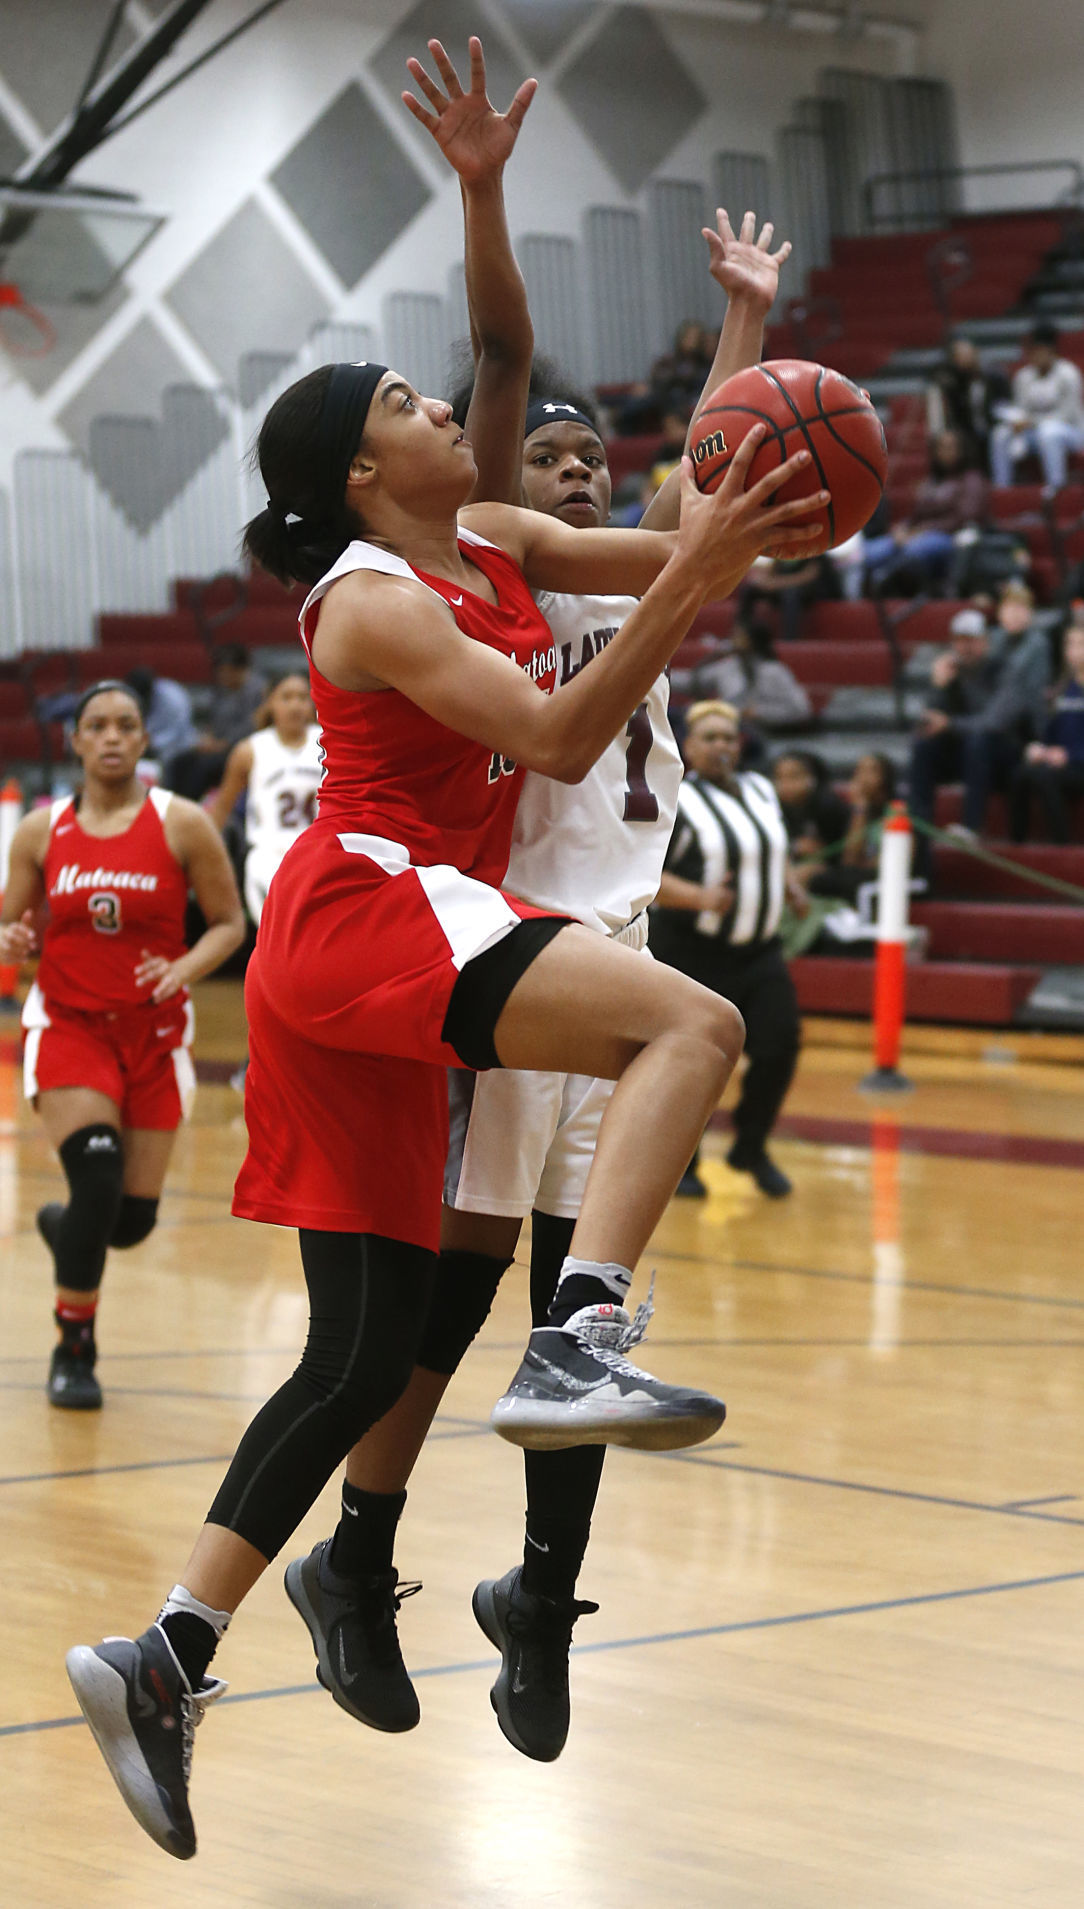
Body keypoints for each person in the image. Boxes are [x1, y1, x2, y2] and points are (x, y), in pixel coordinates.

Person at [63, 41, 827, 1861]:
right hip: (380, 911)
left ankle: (166, 1650)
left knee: (362, 1349)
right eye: (403, 397)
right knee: (689, 1030)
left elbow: (658, 532)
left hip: (392, 946)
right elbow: (557, 738)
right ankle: (578, 1339)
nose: (452, 407)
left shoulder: (481, 532)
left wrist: (760, 500)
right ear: (360, 461)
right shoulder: (378, 593)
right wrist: (694, 576)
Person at [281, 39, 799, 1768]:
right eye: (550, 458)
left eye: (596, 466)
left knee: (566, 1321)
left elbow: (704, 503)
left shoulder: (612, 572)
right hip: (497, 953)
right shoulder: (469, 545)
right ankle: (357, 1555)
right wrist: (488, 188)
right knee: (456, 1297)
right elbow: (499, 363)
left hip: (613, 954)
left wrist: (742, 338)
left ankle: (540, 1600)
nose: (572, 478)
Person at [0, 681, 245, 1409]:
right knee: (99, 1180)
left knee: (128, 1222)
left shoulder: (184, 825)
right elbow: (9, 923)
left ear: (144, 742)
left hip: (155, 1033)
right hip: (70, 1023)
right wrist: (11, 938)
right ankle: (74, 1347)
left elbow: (230, 924)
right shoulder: (41, 832)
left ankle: (63, 1227)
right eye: (97, 725)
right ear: (75, 741)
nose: (111, 736)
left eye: (126, 725)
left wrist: (181, 968)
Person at [652, 699, 805, 1200]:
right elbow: (646, 874)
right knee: (694, 1059)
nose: (722, 745)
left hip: (760, 949)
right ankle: (683, 1161)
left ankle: (750, 1147)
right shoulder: (676, 799)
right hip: (694, 951)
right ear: (689, 747)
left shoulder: (761, 789)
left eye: (729, 737)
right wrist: (699, 898)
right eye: (710, 738)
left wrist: (790, 885)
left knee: (780, 1045)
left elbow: (770, 847)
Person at [907, 589, 1050, 864]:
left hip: (1007, 754)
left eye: (971, 641)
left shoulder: (1006, 670)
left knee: (980, 740)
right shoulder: (952, 674)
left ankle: (972, 825)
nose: (964, 648)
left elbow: (994, 723)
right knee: (924, 745)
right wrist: (938, 688)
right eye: (959, 641)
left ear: (986, 641)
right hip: (969, 756)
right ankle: (918, 824)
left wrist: (948, 724)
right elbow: (927, 723)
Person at [209, 670, 322, 927]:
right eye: (286, 697)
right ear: (270, 702)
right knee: (278, 935)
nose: (295, 705)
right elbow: (221, 808)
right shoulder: (249, 750)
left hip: (317, 851)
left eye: (303, 697)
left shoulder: (328, 742)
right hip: (269, 855)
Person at [861, 429, 988, 595]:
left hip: (950, 537)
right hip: (917, 533)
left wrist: (922, 530)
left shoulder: (972, 479)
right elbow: (916, 517)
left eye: (951, 447)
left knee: (913, 550)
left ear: (962, 449)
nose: (945, 452)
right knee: (868, 552)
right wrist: (903, 529)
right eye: (941, 447)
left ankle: (887, 582)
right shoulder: (931, 482)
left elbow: (964, 518)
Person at [1008, 616, 1084, 841]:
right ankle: (1017, 844)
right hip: (1062, 763)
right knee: (1020, 773)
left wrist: (1070, 755)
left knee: (1046, 778)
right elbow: (1053, 731)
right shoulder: (1062, 688)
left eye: (1080, 644)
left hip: (1077, 763)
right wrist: (1041, 748)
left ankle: (1061, 846)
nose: (1074, 650)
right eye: (1069, 644)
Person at [990, 323, 1084, 491]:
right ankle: (1002, 486)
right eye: (1034, 353)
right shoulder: (1023, 376)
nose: (1037, 357)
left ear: (1052, 353)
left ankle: (1056, 485)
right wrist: (1016, 421)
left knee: (1049, 432)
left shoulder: (1069, 373)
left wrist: (1032, 422)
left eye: (1042, 352)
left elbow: (1068, 413)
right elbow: (1020, 408)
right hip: (1033, 430)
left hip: (1070, 430)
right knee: (1001, 434)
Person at [166, 644, 267, 800]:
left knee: (203, 767)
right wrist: (207, 737)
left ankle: (190, 807)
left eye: (227, 671)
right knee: (179, 761)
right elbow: (212, 719)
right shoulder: (221, 690)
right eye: (221, 672)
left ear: (240, 670)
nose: (223, 676)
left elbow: (253, 725)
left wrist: (223, 743)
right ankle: (171, 807)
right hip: (215, 745)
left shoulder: (257, 691)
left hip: (238, 749)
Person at [682, 616, 812, 732]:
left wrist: (759, 712)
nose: (732, 640)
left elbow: (801, 710)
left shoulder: (775, 671)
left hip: (770, 733)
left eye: (739, 636)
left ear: (753, 640)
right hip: (729, 729)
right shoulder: (728, 666)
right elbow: (692, 681)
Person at [926, 336, 1010, 470]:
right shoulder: (956, 381)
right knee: (951, 441)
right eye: (958, 356)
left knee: (999, 436)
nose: (963, 359)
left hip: (993, 426)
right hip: (969, 432)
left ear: (975, 353)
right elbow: (934, 376)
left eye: (966, 354)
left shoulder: (994, 375)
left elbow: (1005, 405)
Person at [772, 748, 850, 861]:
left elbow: (838, 854)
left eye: (794, 777)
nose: (786, 784)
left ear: (813, 778)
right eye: (779, 777)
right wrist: (794, 846)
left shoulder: (829, 807)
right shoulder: (771, 807)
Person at [124, 666, 198, 769]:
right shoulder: (137, 694)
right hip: (151, 744)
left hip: (179, 745)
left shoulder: (172, 698)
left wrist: (151, 743)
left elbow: (176, 731)